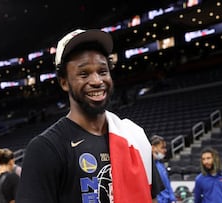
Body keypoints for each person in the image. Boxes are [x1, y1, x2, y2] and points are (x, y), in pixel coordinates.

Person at [16, 28, 164, 203]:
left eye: (102, 71)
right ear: (64, 82)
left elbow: (151, 199)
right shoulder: (45, 148)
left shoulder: (134, 137)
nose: (96, 81)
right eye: (83, 73)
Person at [150, 135, 177, 203]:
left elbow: (168, 186)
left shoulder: (161, 165)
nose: (165, 150)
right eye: (162, 147)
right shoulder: (148, 167)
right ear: (153, 148)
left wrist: (173, 199)